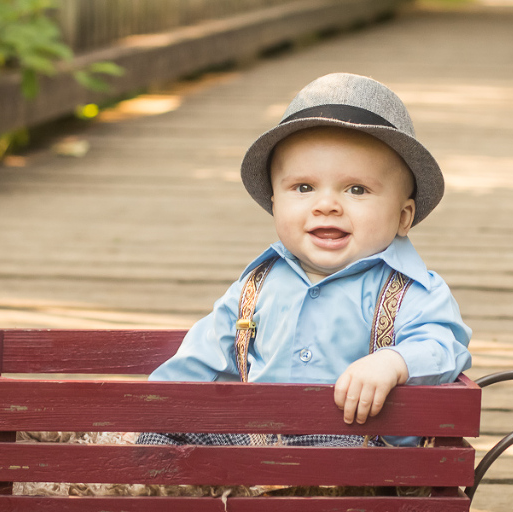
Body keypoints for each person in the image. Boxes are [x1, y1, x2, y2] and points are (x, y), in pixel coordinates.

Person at [138, 72, 471, 448]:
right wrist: (157, 410)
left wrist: (393, 363)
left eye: (356, 189)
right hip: (258, 445)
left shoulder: (412, 292)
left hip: (357, 447)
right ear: (275, 203)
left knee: (337, 448)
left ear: (403, 216)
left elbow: (446, 347)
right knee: (163, 430)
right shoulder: (256, 286)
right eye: (304, 187)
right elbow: (199, 358)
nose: (326, 204)